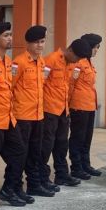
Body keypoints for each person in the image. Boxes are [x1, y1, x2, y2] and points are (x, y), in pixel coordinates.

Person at [0, 22, 28, 210]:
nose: (10, 38)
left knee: (19, 152)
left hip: (8, 118)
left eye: (10, 34)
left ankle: (9, 188)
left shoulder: (8, 62)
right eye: (6, 35)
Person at [10, 25, 54, 198]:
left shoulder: (41, 62)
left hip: (38, 115)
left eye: (42, 42)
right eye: (36, 43)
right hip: (22, 116)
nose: (40, 46)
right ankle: (16, 187)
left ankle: (34, 185)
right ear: (27, 44)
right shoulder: (19, 63)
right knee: (21, 154)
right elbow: (10, 88)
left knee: (35, 153)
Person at [41, 38, 91, 188]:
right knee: (46, 146)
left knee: (62, 144)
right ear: (69, 50)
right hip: (49, 110)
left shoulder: (71, 64)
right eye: (76, 57)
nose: (77, 61)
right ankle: (41, 177)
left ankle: (62, 174)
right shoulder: (51, 60)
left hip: (63, 110)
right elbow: (40, 83)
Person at [69, 33, 102, 179]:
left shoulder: (88, 62)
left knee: (87, 138)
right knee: (78, 138)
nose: (97, 50)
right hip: (79, 106)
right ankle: (76, 167)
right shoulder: (79, 63)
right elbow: (71, 84)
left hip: (89, 106)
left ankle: (85, 164)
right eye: (96, 47)